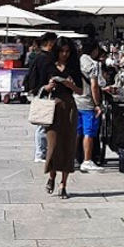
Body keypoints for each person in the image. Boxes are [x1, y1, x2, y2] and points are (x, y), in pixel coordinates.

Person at [42, 38, 83, 198]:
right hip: (53, 107)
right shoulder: (49, 66)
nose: (64, 54)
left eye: (67, 51)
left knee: (68, 145)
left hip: (69, 106)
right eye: (62, 51)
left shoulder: (73, 67)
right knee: (53, 145)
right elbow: (38, 86)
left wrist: (71, 86)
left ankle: (63, 184)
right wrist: (47, 87)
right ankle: (52, 176)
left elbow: (80, 91)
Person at [25, 33, 58, 164]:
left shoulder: (39, 57)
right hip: (43, 92)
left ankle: (42, 152)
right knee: (42, 123)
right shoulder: (45, 58)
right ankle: (40, 153)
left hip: (39, 91)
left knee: (43, 123)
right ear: (50, 43)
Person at [76, 42, 106, 172]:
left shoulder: (77, 61)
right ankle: (87, 160)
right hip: (88, 102)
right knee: (89, 132)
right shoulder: (92, 65)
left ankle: (72, 157)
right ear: (94, 50)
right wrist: (97, 104)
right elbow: (94, 85)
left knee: (77, 132)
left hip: (76, 100)